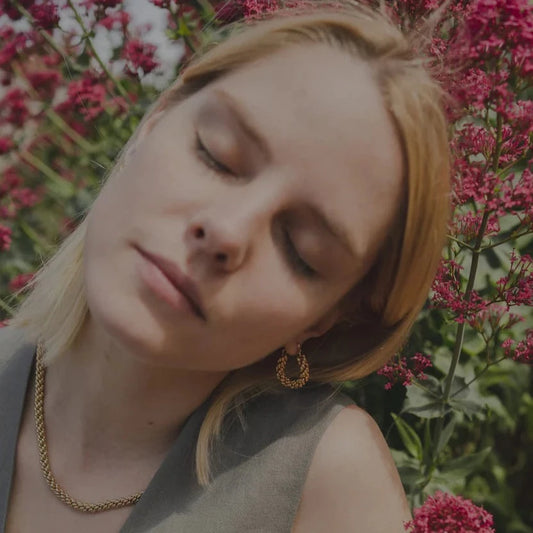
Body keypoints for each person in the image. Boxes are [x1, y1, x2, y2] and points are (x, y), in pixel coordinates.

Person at [0, 1, 450, 531]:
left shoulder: (331, 483)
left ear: (323, 321)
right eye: (216, 155)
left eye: (301, 250)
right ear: (154, 122)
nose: (226, 231)